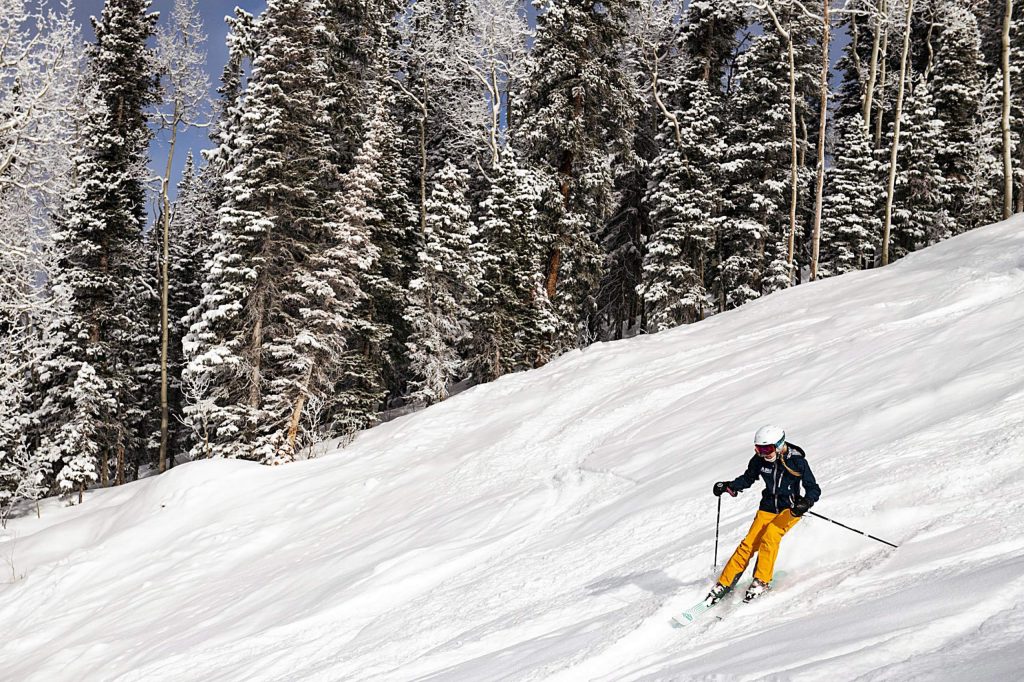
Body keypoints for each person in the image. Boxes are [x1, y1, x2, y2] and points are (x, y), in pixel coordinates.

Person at [705, 425, 821, 604]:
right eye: (759, 449)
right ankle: (724, 583)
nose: (763, 453)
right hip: (767, 507)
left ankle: (761, 581)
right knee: (748, 543)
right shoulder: (759, 460)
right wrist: (729, 486)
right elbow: (748, 478)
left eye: (766, 449)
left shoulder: (797, 462)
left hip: (789, 509)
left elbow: (813, 488)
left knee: (771, 536)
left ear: (779, 444)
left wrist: (806, 502)